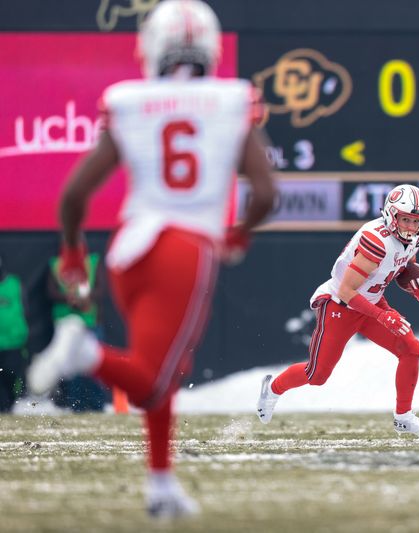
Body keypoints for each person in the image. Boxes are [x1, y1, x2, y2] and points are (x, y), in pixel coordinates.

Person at [27, 0, 276, 519]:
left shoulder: (130, 101)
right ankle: (85, 354)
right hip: (185, 250)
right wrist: (240, 233)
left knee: (164, 368)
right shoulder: (230, 100)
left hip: (129, 248)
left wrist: (74, 250)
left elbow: (74, 195)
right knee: (156, 379)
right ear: (209, 48)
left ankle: (161, 485)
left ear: (152, 50)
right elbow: (266, 193)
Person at [257, 184, 419, 438]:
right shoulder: (377, 240)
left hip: (372, 302)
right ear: (391, 215)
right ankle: (273, 388)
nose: (410, 226)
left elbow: (404, 264)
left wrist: (415, 285)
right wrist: (382, 315)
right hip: (341, 306)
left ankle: (403, 417)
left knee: (411, 349)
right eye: (405, 219)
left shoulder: (416, 236)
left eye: (416, 221)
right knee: (317, 375)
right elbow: (346, 291)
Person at [47, 249, 108, 411]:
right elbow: (51, 291)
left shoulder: (92, 262)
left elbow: (101, 289)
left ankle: (97, 404)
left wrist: (84, 299)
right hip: (67, 322)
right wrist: (69, 298)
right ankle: (76, 404)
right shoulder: (56, 264)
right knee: (71, 367)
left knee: (95, 365)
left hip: (90, 322)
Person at [0, 254, 29, 412]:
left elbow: (25, 310)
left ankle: (10, 406)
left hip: (13, 344)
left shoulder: (14, 284)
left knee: (11, 379)